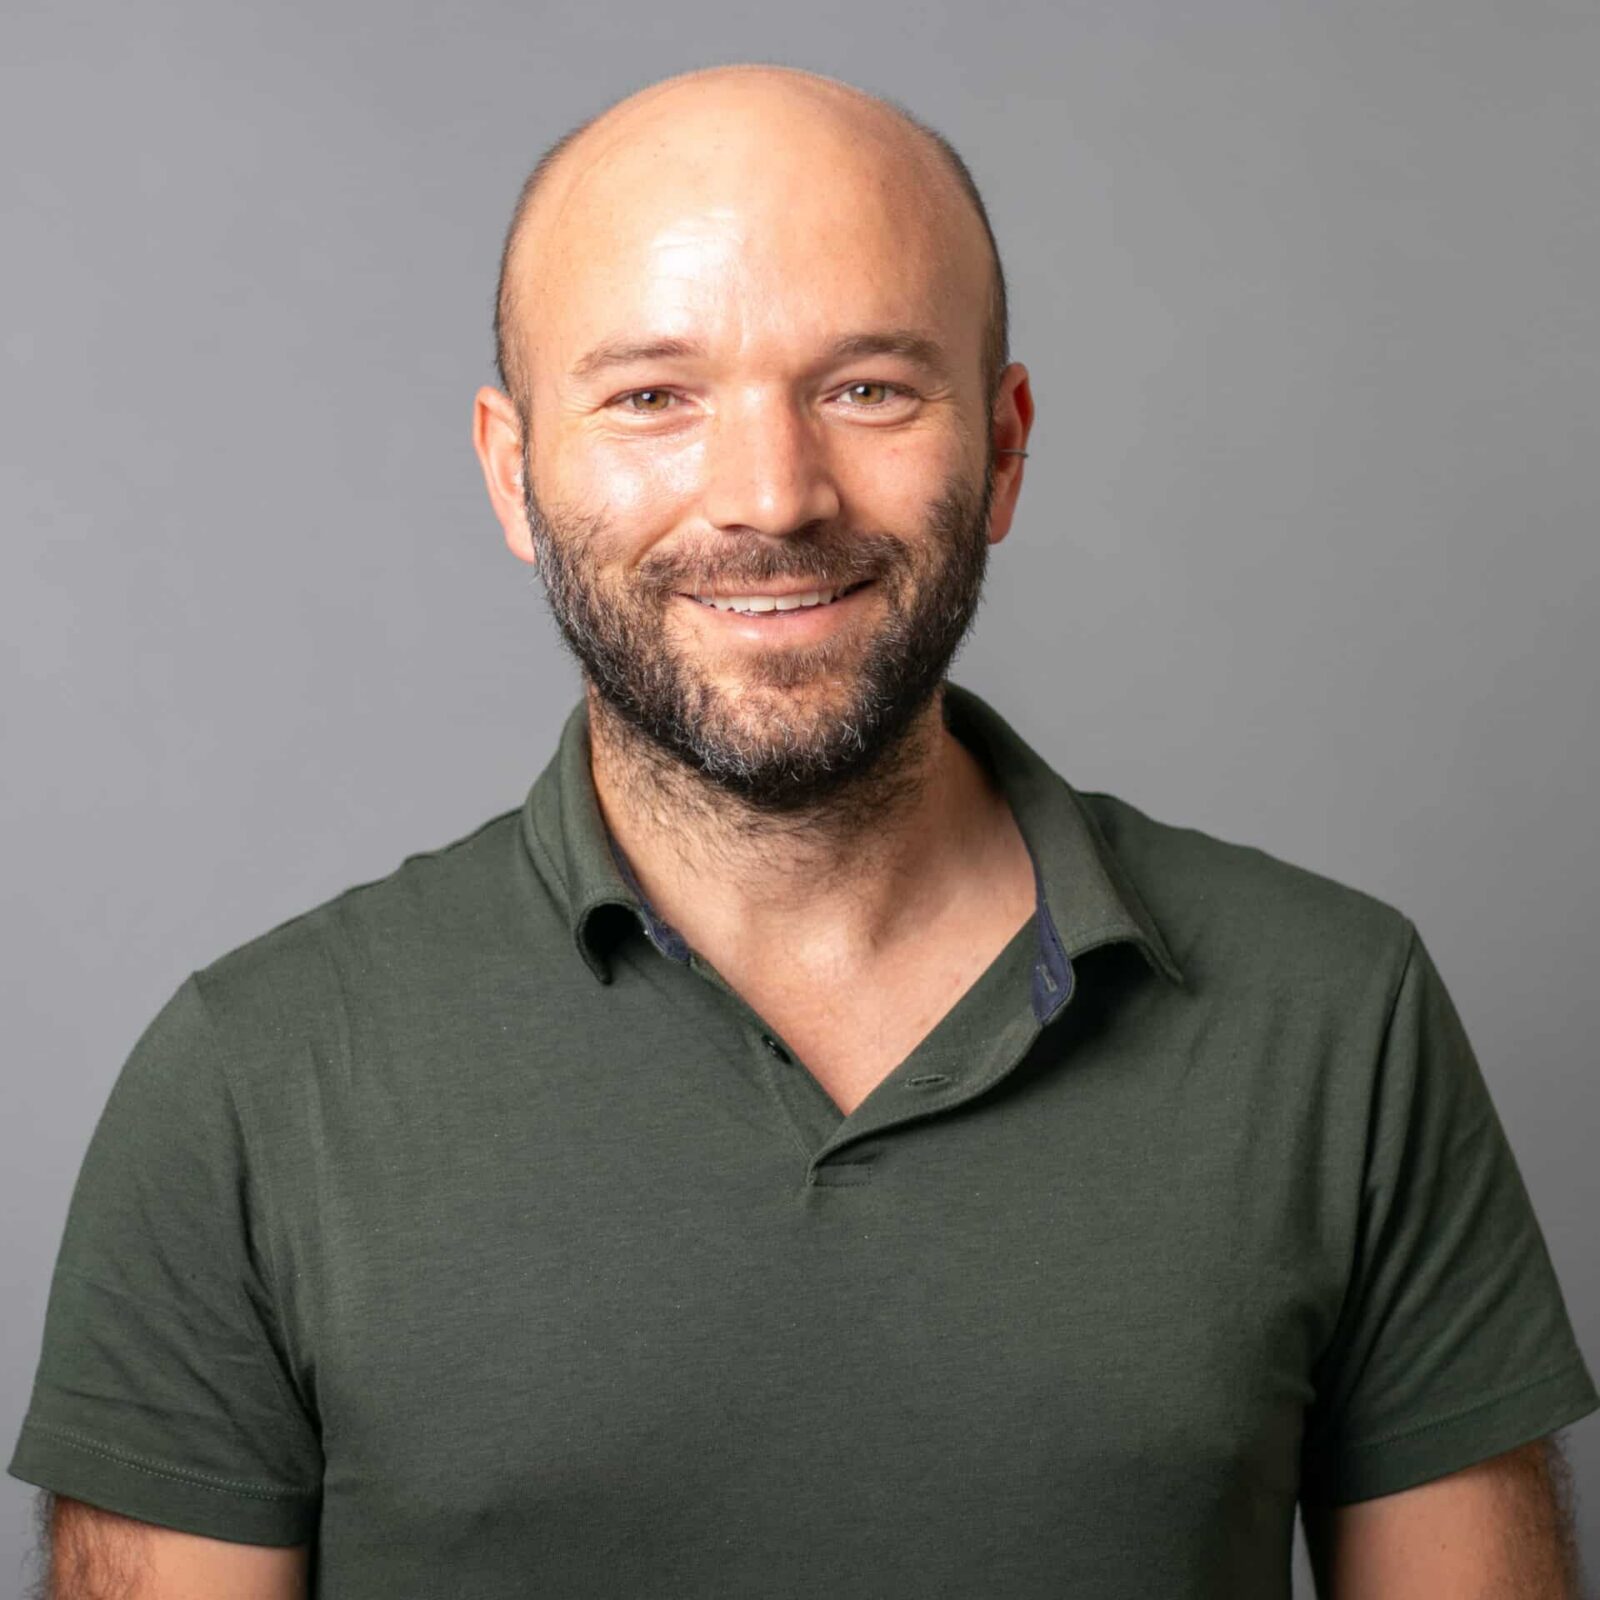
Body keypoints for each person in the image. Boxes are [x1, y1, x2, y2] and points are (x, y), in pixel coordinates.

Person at [8, 61, 1596, 1600]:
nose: (770, 494)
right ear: (513, 472)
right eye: (653, 396)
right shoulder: (250, 1080)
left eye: (866, 389)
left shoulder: (1337, 1016)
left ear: (1006, 446)